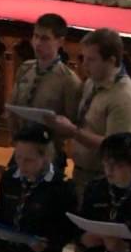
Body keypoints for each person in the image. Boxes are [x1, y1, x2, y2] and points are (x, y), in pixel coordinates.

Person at [49, 27, 131, 201]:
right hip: (81, 172)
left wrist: (72, 132)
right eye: (84, 58)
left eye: (91, 60)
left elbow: (116, 148)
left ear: (111, 60)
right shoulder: (93, 83)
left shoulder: (125, 98)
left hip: (105, 179)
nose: (84, 65)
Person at [6, 13, 82, 170]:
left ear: (60, 42)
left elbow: (71, 126)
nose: (38, 43)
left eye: (45, 38)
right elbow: (13, 106)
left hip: (48, 155)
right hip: (21, 148)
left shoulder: (68, 80)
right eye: (35, 36)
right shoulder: (26, 68)